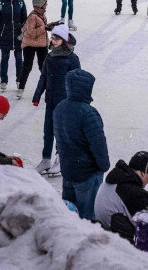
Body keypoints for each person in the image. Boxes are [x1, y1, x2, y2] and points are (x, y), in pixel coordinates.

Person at [54, 68, 110, 221]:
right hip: (87, 174)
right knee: (88, 219)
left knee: (69, 216)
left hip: (68, 171)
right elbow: (98, 144)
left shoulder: (60, 108)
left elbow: (59, 141)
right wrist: (104, 166)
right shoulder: (88, 113)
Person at [32, 24, 81, 174]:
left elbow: (78, 80)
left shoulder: (72, 58)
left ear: (64, 39)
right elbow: (44, 77)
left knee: (61, 131)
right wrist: (37, 95)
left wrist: (76, 100)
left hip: (65, 102)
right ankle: (46, 159)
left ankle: (61, 158)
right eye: (52, 38)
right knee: (48, 131)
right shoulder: (50, 56)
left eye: (56, 39)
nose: (53, 41)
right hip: (51, 101)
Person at [95, 150, 148, 238]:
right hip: (119, 237)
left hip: (105, 226)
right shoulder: (132, 191)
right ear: (143, 173)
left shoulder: (118, 177)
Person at [0, 0, 27, 94]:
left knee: (18, 59)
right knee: (4, 58)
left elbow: (24, 19)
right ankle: (4, 81)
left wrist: (24, 32)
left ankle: (19, 80)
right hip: (5, 34)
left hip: (17, 35)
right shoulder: (0, 3)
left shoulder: (20, 2)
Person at [19, 0, 51, 94]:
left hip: (41, 45)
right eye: (45, 4)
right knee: (27, 66)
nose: (46, 6)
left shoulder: (42, 15)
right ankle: (21, 87)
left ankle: (49, 88)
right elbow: (31, 32)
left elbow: (43, 32)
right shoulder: (32, 17)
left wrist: (48, 42)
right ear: (39, 5)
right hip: (29, 45)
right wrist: (45, 27)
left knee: (44, 67)